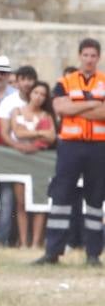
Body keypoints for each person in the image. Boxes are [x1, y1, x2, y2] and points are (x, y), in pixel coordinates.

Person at [35, 38, 105, 266]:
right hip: (70, 146)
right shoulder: (65, 81)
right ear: (79, 55)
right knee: (61, 196)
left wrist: (76, 108)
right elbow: (61, 108)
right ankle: (52, 252)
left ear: (99, 57)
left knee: (95, 199)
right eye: (85, 55)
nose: (89, 59)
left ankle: (93, 253)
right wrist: (93, 104)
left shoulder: (104, 80)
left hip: (98, 146)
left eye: (93, 55)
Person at [8, 81, 56, 250]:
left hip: (39, 161)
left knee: (39, 202)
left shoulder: (47, 115)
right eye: (36, 92)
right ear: (30, 93)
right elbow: (18, 132)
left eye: (43, 94)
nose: (39, 97)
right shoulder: (17, 111)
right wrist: (40, 132)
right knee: (20, 202)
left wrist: (35, 134)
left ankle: (35, 243)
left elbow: (51, 137)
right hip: (20, 159)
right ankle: (23, 242)